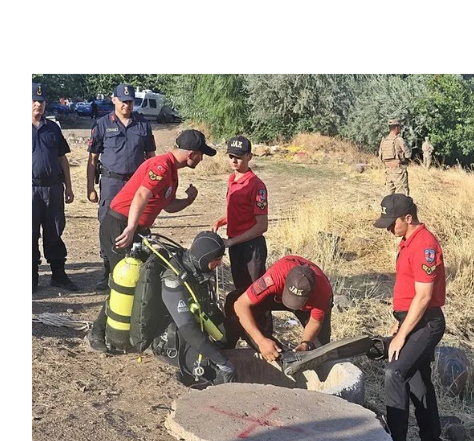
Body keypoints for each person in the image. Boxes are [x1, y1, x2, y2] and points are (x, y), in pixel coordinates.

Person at [87, 130, 215, 351]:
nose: (202, 159)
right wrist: (130, 228)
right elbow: (141, 195)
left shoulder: (172, 171)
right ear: (191, 154)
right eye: (201, 154)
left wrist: (188, 201)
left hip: (136, 227)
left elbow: (167, 205)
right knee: (123, 280)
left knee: (143, 279)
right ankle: (98, 332)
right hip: (120, 224)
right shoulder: (161, 166)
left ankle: (133, 330)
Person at [374, 194, 446, 441]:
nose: (389, 228)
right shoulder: (407, 242)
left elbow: (425, 296)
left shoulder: (425, 244)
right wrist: (399, 320)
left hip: (426, 322)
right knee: (417, 382)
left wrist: (401, 336)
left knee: (395, 372)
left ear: (408, 217)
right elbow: (408, 289)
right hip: (412, 319)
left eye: (392, 223)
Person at [87, 83, 155, 290]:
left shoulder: (143, 124)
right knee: (108, 226)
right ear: (113, 99)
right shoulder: (101, 124)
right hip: (111, 183)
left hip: (136, 184)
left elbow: (151, 158)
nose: (127, 105)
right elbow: (92, 159)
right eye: (123, 101)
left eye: (130, 101)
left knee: (139, 224)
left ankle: (138, 269)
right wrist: (90, 188)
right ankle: (108, 271)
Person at [160, 232, 236, 386]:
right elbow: (188, 330)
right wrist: (222, 363)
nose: (220, 264)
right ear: (203, 259)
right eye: (217, 260)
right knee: (214, 372)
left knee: (232, 329)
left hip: (195, 324)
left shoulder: (197, 270)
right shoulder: (173, 279)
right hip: (173, 338)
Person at [224, 255, 333, 361]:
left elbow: (315, 322)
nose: (293, 304)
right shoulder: (274, 277)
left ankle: (307, 361)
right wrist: (260, 340)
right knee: (233, 301)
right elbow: (240, 304)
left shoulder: (323, 292)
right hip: (277, 294)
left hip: (310, 304)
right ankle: (274, 352)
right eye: (292, 297)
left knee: (320, 349)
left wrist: (305, 343)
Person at [30, 81, 77, 293]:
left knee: (55, 231)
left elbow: (62, 159)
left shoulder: (53, 128)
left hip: (53, 189)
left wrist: (68, 187)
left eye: (41, 101)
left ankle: (59, 275)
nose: (38, 105)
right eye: (33, 101)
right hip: (31, 190)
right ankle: (32, 278)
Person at [213, 136, 269, 298]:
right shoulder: (232, 179)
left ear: (249, 157)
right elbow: (239, 211)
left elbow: (261, 225)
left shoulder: (257, 186)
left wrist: (231, 242)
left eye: (239, 157)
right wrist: (221, 221)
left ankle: (261, 324)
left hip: (251, 247)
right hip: (236, 245)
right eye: (231, 156)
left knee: (257, 295)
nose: (234, 161)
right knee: (240, 291)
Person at [379, 118, 411, 196]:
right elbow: (408, 154)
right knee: (402, 195)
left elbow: (380, 156)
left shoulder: (384, 141)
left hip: (387, 171)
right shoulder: (399, 140)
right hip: (398, 170)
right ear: (396, 128)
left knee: (389, 196)